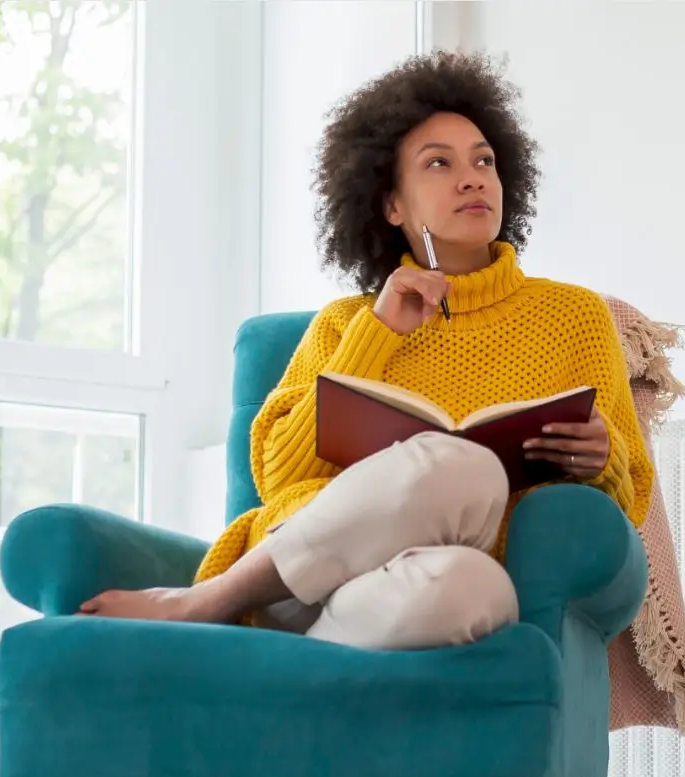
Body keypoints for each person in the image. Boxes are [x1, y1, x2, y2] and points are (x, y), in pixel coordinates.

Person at [82, 52, 653, 650]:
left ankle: (297, 678)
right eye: (439, 163)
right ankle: (211, 600)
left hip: (426, 587)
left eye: (485, 160)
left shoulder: (574, 316)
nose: (472, 177)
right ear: (391, 205)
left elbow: (630, 495)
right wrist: (376, 333)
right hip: (290, 585)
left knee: (478, 589)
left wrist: (601, 458)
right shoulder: (346, 323)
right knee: (463, 466)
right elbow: (279, 478)